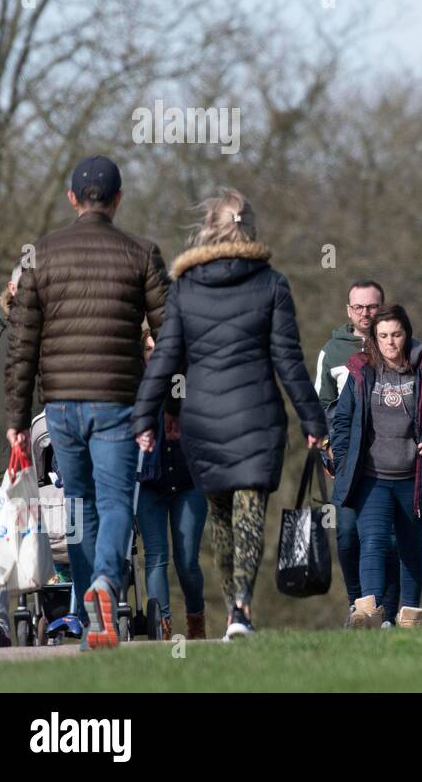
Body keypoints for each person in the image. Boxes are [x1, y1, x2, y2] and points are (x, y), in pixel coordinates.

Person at [133, 189, 327, 640]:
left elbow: (165, 359)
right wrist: (313, 420)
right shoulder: (272, 283)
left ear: (208, 227)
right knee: (249, 512)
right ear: (249, 227)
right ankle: (241, 606)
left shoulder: (184, 288)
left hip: (202, 418)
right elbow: (289, 361)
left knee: (220, 519)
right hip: (256, 416)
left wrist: (148, 416)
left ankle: (231, 615)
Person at [6, 156, 171, 649]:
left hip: (59, 407)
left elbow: (22, 345)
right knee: (118, 499)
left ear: (72, 198)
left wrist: (17, 419)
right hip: (118, 401)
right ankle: (104, 583)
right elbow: (171, 337)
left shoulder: (41, 256)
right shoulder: (142, 253)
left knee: (77, 506)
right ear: (118, 199)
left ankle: (87, 614)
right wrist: (166, 406)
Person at [331, 303, 422, 628]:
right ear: (374, 339)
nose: (390, 342)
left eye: (396, 334)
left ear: (407, 334)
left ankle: (409, 615)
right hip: (372, 477)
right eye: (383, 336)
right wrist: (344, 461)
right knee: (373, 540)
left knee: (410, 545)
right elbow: (342, 421)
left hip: (413, 478)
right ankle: (368, 612)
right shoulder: (361, 372)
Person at [314, 279, 401, 627]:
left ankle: (389, 612)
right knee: (348, 535)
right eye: (359, 307)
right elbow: (318, 406)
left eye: (373, 306)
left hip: (390, 459)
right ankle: (358, 606)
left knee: (387, 536)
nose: (366, 313)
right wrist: (326, 450)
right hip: (347, 461)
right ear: (348, 310)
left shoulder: (396, 344)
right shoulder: (331, 352)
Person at [0, 263, 39, 647]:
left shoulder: (48, 337)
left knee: (35, 539)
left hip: (30, 459)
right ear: (10, 288)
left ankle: (42, 618)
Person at [136, 330, 207, 640]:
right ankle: (162, 629)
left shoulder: (191, 381)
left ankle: (196, 619)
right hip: (149, 483)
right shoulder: (135, 386)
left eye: (159, 349)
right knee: (155, 557)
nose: (154, 354)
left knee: (187, 561)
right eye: (149, 349)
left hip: (188, 481)